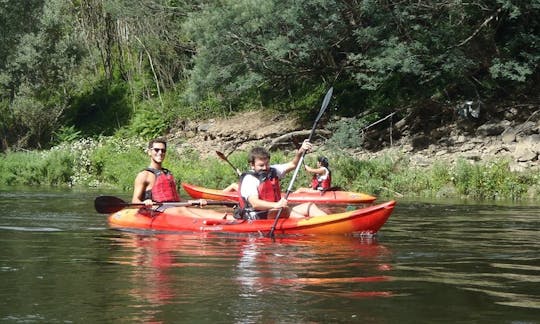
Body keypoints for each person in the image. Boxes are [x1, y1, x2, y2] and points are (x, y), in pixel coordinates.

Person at [236, 140, 328, 220]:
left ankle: (330, 221)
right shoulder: (249, 179)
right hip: (256, 215)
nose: (265, 168)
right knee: (285, 210)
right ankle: (307, 222)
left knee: (309, 206)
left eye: (267, 164)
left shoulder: (273, 170)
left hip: (274, 210)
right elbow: (255, 203)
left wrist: (301, 151)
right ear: (252, 165)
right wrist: (276, 205)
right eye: (261, 165)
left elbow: (293, 164)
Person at [132, 138, 222, 218]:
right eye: (156, 150)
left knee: (210, 212)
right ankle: (205, 223)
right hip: (156, 209)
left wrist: (195, 202)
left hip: (174, 208)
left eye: (163, 151)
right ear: (149, 152)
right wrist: (145, 203)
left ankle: (230, 221)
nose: (160, 153)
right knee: (182, 210)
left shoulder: (167, 173)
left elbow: (175, 200)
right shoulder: (144, 175)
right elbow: (134, 201)